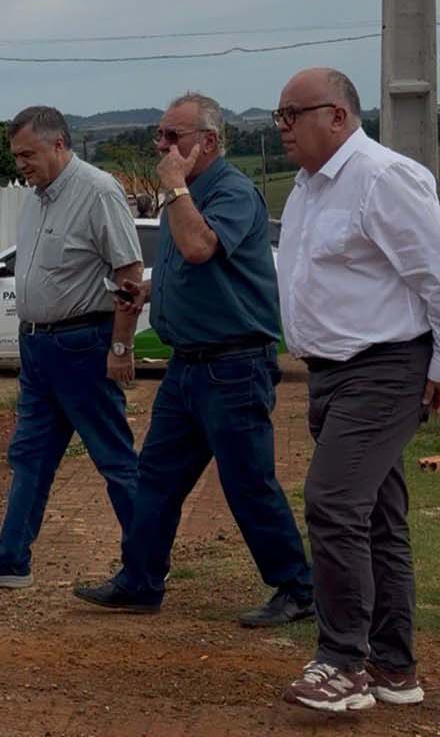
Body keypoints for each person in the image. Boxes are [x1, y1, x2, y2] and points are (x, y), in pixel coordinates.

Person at [73, 92, 314, 627]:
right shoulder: (186, 195)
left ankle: (298, 589)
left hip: (234, 365)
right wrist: (151, 290)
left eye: (172, 137)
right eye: (159, 135)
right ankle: (140, 581)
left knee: (247, 481)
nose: (162, 146)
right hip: (188, 367)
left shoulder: (230, 192)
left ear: (208, 142)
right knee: (156, 476)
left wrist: (176, 187)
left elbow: (202, 247)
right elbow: (187, 267)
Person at [275, 68, 437, 712]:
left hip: (385, 365)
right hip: (332, 372)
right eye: (280, 115)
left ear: (338, 116)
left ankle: (342, 663)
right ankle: (395, 667)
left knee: (333, 501)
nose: (281, 126)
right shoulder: (308, 187)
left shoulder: (382, 177)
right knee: (374, 516)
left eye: (293, 114)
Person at [0, 106, 142, 589]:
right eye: (15, 155)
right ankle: (12, 558)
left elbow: (128, 275)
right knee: (29, 455)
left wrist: (120, 347)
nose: (20, 164)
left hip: (83, 345)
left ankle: (145, 565)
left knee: (114, 459)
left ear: (59, 145)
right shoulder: (36, 199)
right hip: (37, 349)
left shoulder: (98, 192)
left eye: (28, 154)